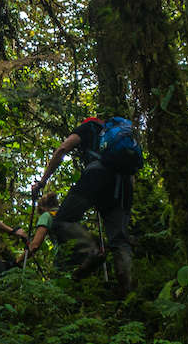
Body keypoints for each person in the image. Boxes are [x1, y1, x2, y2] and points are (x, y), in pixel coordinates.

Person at [34, 118, 134, 292]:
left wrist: (42, 181)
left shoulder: (89, 127)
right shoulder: (121, 141)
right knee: (119, 240)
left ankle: (91, 251)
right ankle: (128, 292)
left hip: (96, 175)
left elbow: (63, 149)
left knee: (61, 220)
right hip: (124, 185)